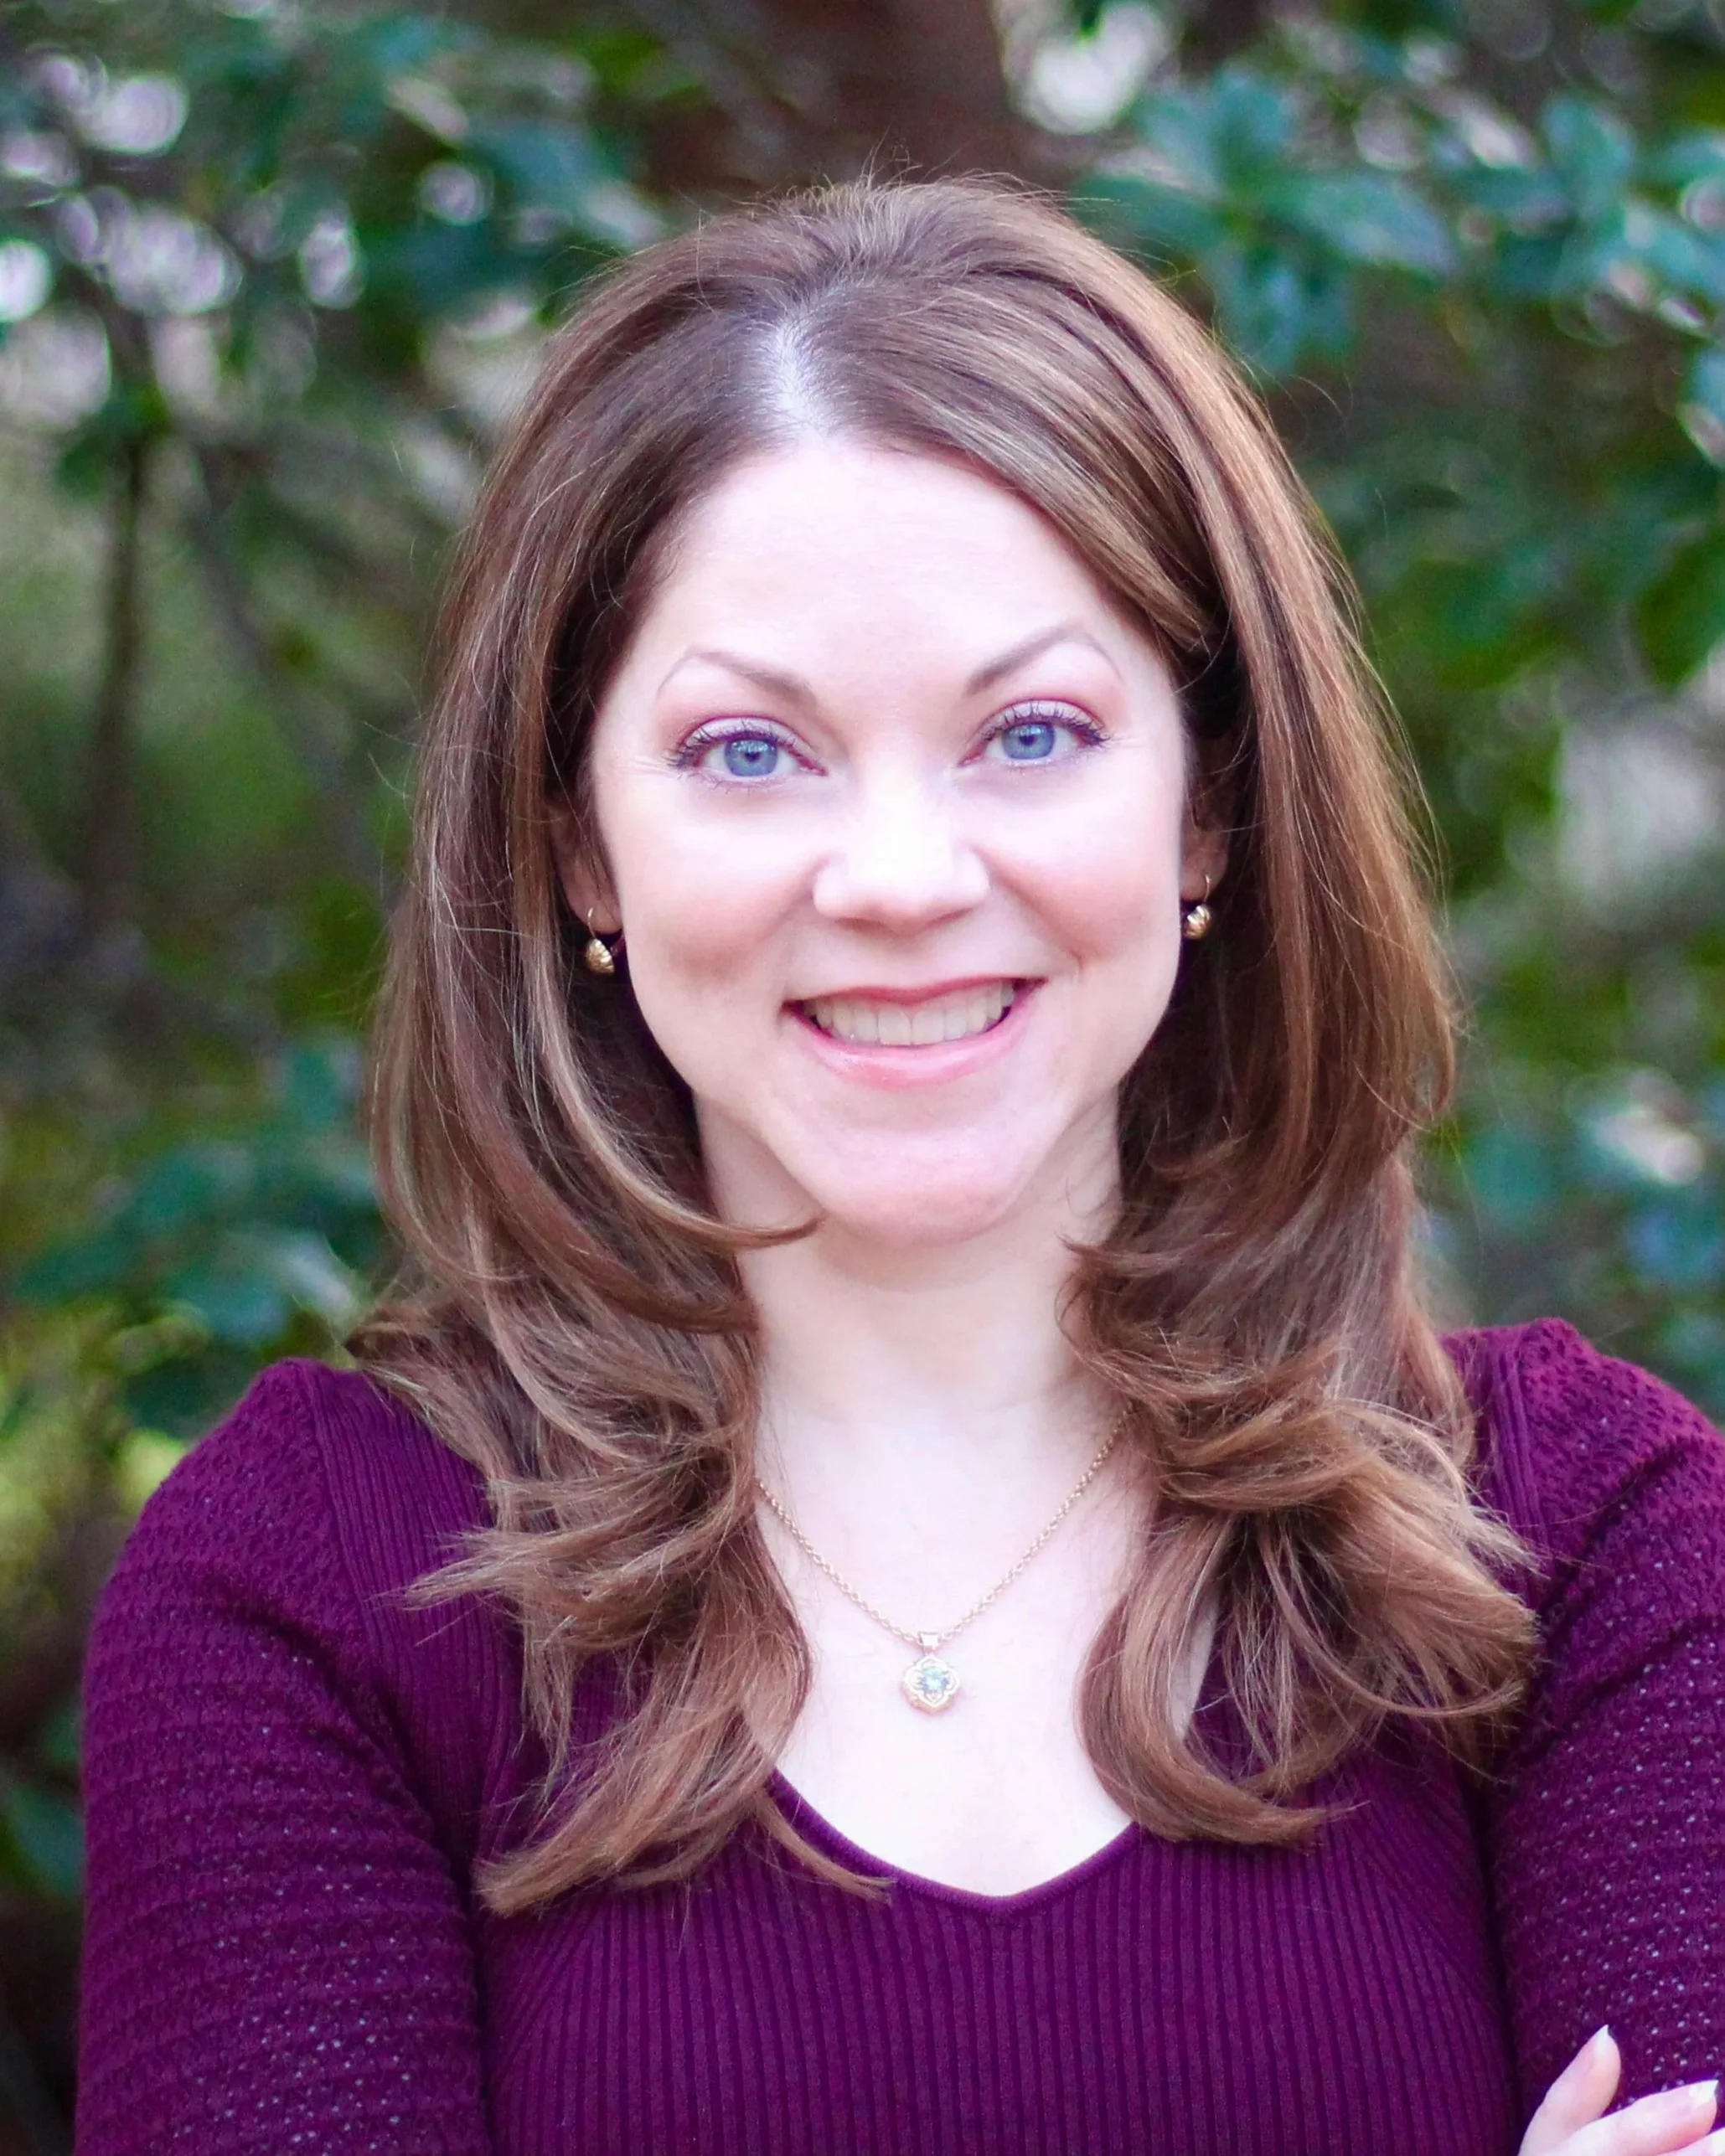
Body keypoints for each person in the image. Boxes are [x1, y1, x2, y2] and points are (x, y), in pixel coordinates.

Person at [75, 179, 1725, 2156]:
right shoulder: (303, 1589)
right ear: (580, 842)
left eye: (1029, 733)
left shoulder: (1593, 1546)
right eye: (749, 753)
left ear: (1207, 806)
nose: (901, 879)